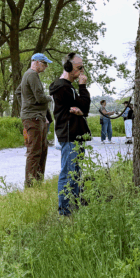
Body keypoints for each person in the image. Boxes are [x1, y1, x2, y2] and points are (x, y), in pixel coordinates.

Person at [49, 52, 91, 216]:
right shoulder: (62, 88)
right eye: (79, 67)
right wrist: (82, 87)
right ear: (68, 67)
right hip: (69, 134)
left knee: (76, 172)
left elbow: (83, 110)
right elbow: (85, 108)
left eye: (82, 68)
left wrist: (81, 109)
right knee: (68, 173)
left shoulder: (68, 87)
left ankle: (74, 206)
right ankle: (64, 211)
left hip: (76, 134)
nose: (82, 71)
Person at [19, 53, 54, 187]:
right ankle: (30, 185)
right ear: (37, 62)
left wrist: (41, 113)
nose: (45, 67)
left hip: (38, 117)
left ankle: (38, 181)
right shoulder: (31, 75)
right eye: (44, 64)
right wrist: (52, 98)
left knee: (42, 149)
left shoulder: (30, 75)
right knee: (34, 151)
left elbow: (19, 92)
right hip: (32, 118)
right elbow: (40, 97)